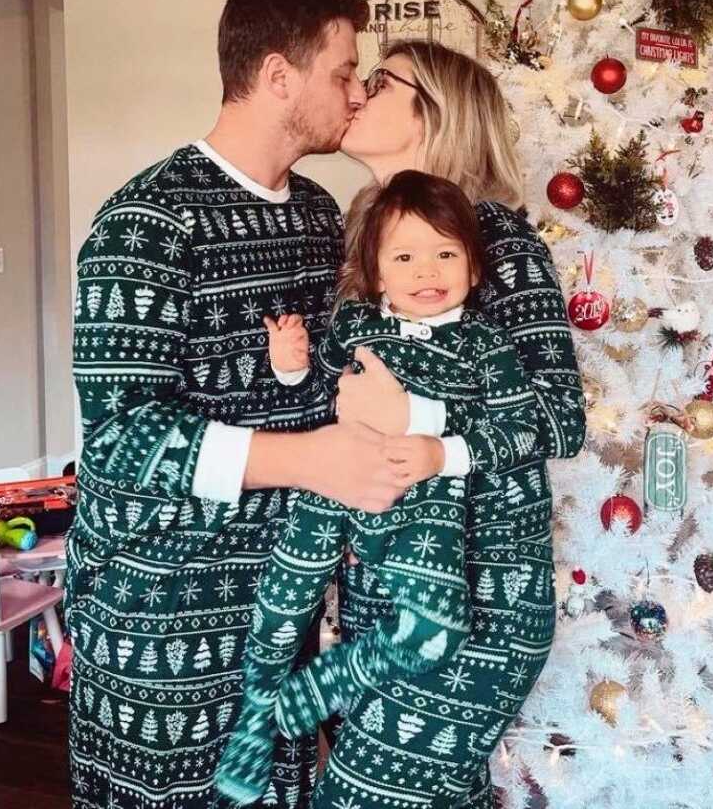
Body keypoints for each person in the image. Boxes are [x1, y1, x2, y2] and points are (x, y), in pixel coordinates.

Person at [65, 0, 445, 809]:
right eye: (344, 73)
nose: (355, 93)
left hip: (280, 608)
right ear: (279, 77)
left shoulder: (317, 214)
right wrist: (310, 460)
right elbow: (120, 438)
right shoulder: (145, 223)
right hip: (157, 613)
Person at [304, 39, 588, 808]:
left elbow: (560, 419)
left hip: (481, 607)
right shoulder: (367, 242)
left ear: (435, 110)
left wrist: (419, 419)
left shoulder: (496, 237)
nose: (359, 90)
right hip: (384, 603)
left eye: (382, 80)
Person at [215, 171, 553, 805]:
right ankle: (258, 713)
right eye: (404, 256)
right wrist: (291, 368)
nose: (427, 270)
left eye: (446, 253)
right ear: (374, 274)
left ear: (474, 269)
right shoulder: (355, 326)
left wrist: (441, 449)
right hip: (336, 487)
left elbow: (525, 428)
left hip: (424, 509)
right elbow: (321, 396)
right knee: (286, 595)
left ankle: (310, 694)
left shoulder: (486, 345)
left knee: (431, 632)